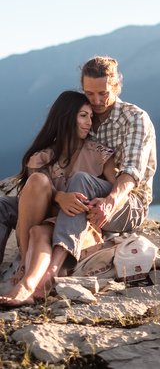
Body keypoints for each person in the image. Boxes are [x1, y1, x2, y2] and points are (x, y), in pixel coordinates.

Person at [0, 56, 156, 296]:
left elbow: (130, 176)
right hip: (75, 196)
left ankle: (52, 270)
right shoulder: (82, 115)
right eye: (89, 94)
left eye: (103, 93)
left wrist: (109, 203)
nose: (96, 101)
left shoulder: (134, 119)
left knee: (80, 180)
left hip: (125, 201)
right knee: (4, 207)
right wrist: (58, 196)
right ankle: (22, 262)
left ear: (116, 86)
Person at [0, 90, 116, 305]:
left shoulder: (100, 154)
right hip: (43, 219)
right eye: (83, 115)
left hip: (77, 226)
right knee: (32, 194)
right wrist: (59, 197)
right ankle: (26, 270)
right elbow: (31, 197)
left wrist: (104, 203)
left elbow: (115, 189)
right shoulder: (43, 156)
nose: (89, 122)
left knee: (40, 231)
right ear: (66, 117)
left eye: (91, 117)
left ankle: (26, 283)